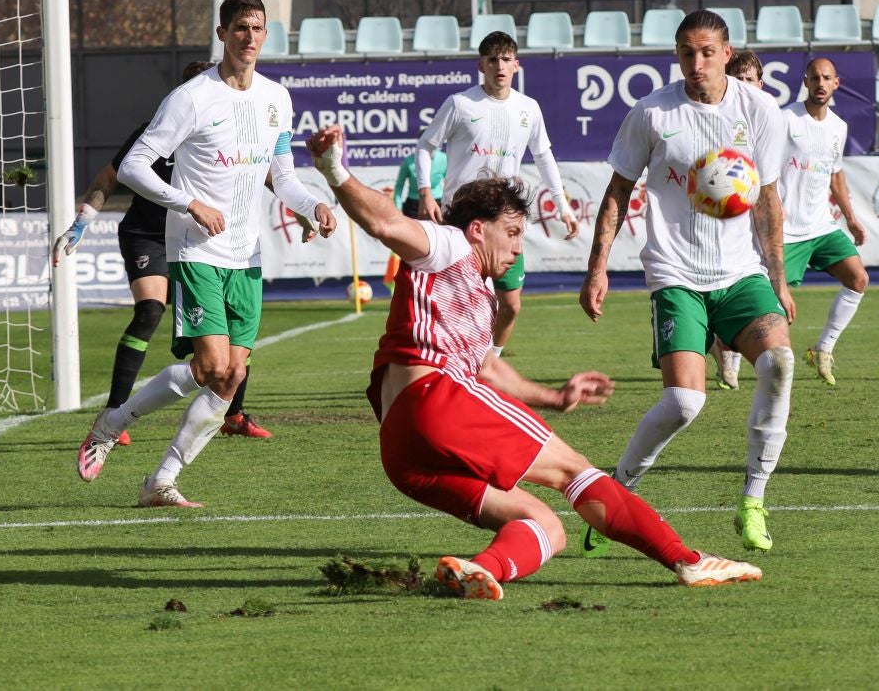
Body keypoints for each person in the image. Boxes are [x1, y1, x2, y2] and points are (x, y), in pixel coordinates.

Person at [306, 122, 762, 599]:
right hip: (434, 399)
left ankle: (477, 570)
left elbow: (485, 368)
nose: (519, 246)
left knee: (545, 524)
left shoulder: (480, 295)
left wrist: (553, 395)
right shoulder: (447, 244)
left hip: (402, 448)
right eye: (512, 232)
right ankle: (688, 560)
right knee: (575, 471)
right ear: (478, 228)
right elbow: (384, 222)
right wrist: (335, 168)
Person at [75, 0, 337, 507]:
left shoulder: (276, 99)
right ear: (221, 34)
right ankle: (110, 425)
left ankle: (160, 480)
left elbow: (281, 176)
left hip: (247, 255)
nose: (249, 37)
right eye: (240, 27)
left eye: (258, 28)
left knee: (226, 375)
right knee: (217, 366)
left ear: (266, 35)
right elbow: (134, 167)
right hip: (197, 250)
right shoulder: (192, 97)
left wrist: (312, 205)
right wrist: (190, 203)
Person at [579, 9, 797, 554]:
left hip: (741, 272)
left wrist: (780, 278)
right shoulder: (652, 113)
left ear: (728, 54)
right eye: (686, 53)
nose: (696, 63)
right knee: (683, 403)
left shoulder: (762, 111)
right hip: (675, 272)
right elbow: (617, 191)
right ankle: (617, 496)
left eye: (706, 52)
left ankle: (753, 499)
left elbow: (767, 198)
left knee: (779, 363)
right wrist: (597, 266)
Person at [54, 63, 299, 446]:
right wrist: (82, 221)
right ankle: (115, 413)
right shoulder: (161, 128)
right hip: (149, 235)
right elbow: (110, 176)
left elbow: (266, 170)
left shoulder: (229, 123)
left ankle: (231, 414)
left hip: (207, 237)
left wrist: (300, 203)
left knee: (229, 350)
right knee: (152, 311)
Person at [415, 31, 578, 358]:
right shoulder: (460, 104)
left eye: (506, 59)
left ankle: (488, 363)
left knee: (511, 306)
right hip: (461, 218)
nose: (499, 66)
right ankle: (453, 365)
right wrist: (425, 194)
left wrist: (562, 205)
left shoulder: (528, 108)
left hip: (505, 220)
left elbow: (543, 155)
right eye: (493, 60)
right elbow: (425, 146)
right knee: (463, 301)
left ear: (516, 65)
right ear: (481, 65)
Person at [779, 57, 871, 386]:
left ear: (836, 84)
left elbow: (836, 176)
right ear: (805, 81)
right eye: (815, 77)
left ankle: (823, 348)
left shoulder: (838, 126)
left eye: (826, 77)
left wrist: (851, 219)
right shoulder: (785, 119)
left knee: (858, 278)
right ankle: (728, 350)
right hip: (786, 230)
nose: (820, 82)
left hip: (821, 226)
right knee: (776, 306)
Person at [706, 50, 770, 390]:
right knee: (727, 284)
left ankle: (729, 345)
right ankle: (724, 349)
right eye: (738, 79)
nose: (745, 86)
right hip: (729, 220)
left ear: (760, 83)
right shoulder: (721, 119)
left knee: (765, 290)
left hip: (763, 219)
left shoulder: (773, 117)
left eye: (750, 80)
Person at [384, 148, 445, 287]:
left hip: (438, 202)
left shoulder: (444, 159)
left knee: (438, 245)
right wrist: (398, 210)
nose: (432, 147)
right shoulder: (409, 161)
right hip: (412, 206)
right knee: (410, 246)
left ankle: (438, 281)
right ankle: (409, 282)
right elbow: (399, 186)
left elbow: (452, 181)